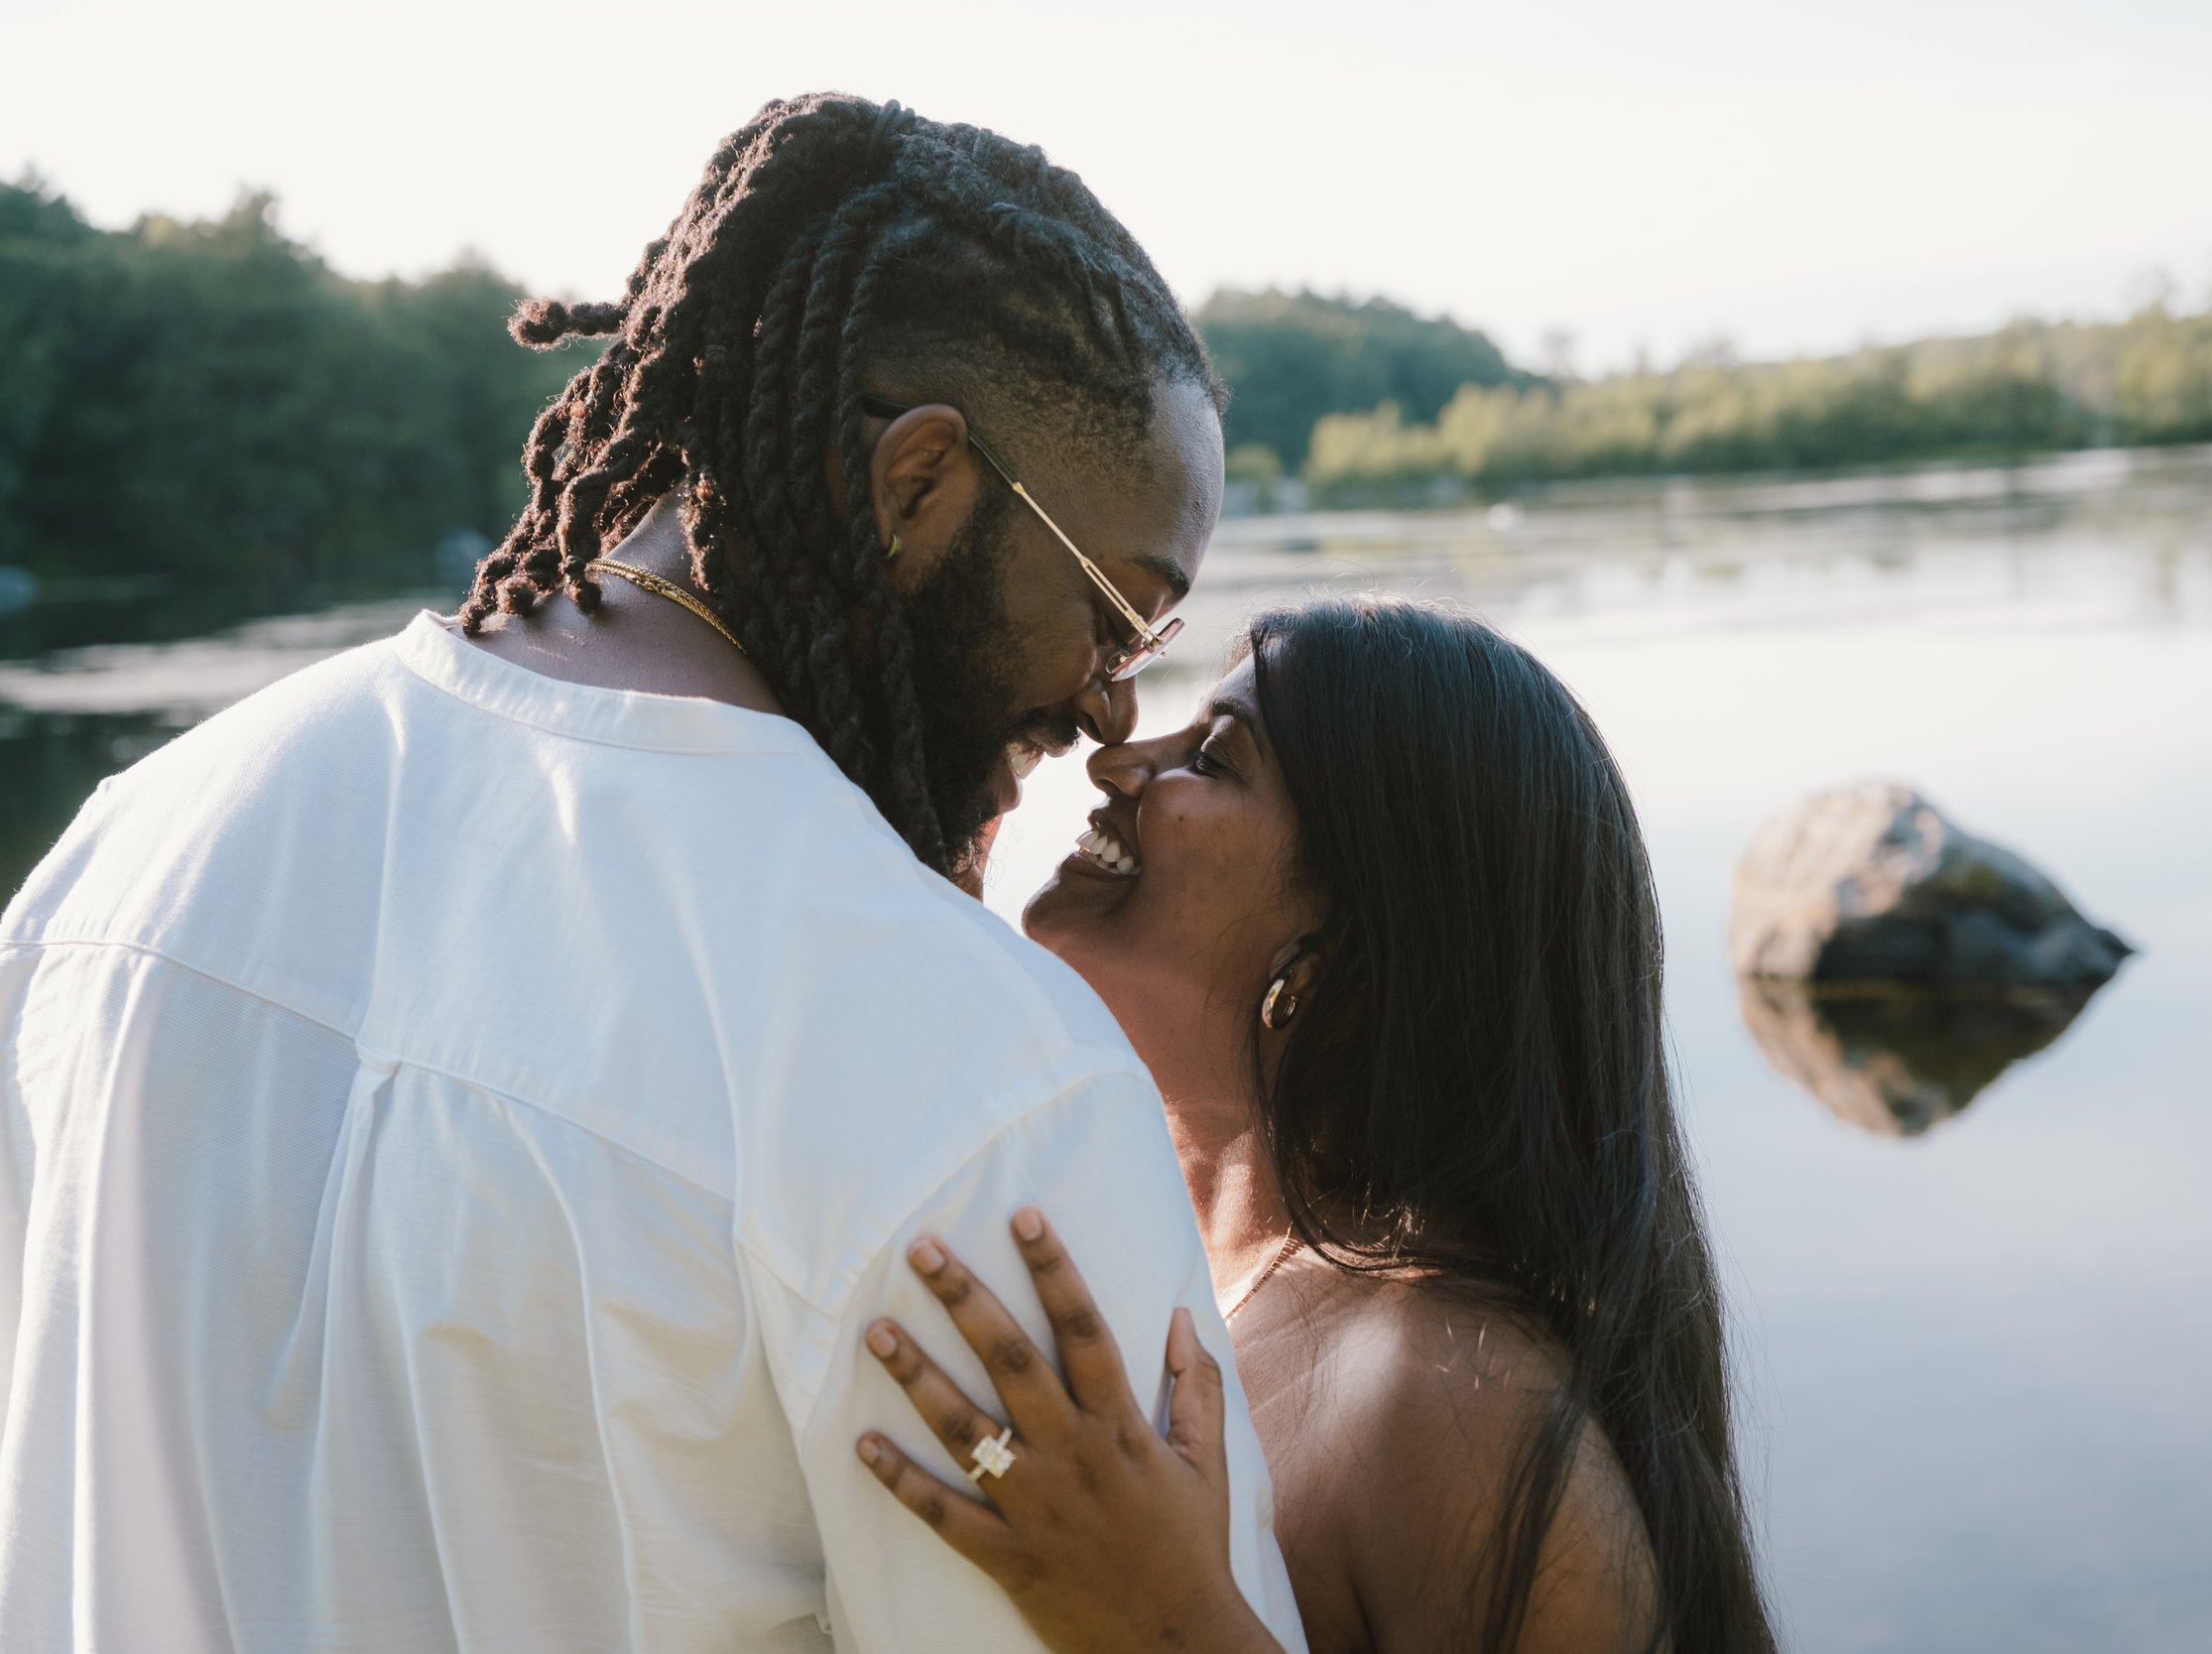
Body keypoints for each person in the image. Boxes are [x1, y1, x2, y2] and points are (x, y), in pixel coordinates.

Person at [0, 95, 1306, 1653]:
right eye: (1123, 612)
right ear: (918, 483)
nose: (1109, 706)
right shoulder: (967, 1071)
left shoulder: (112, 869)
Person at [850, 597, 1779, 1654]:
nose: (1118, 759)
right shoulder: (1118, 1224)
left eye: (1214, 752)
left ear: (1340, 947)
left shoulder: (1447, 1404)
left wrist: (1168, 1621)